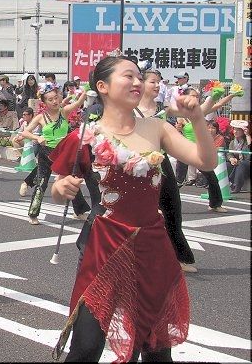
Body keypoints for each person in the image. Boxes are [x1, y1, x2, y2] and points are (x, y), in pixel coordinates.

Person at [50, 55, 216, 363]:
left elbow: (206, 161)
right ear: (103, 86)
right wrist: (61, 190)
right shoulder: (85, 135)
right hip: (103, 244)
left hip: (152, 245)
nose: (137, 82)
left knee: (156, 348)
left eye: (140, 76)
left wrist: (196, 119)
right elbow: (58, 189)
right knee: (87, 345)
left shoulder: (157, 128)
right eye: (128, 76)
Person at [133, 67, 197, 273]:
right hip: (137, 165)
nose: (157, 85)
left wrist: (210, 100)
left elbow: (196, 112)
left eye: (159, 81)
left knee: (172, 209)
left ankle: (181, 257)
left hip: (161, 162)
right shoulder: (129, 108)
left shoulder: (164, 108)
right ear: (141, 83)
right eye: (152, 81)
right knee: (135, 213)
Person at [16, 83, 87, 224]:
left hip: (63, 152)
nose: (54, 101)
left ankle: (79, 211)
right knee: (41, 183)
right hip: (46, 153)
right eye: (50, 99)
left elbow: (79, 102)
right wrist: (37, 138)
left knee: (70, 181)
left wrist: (87, 89)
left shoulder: (64, 112)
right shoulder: (40, 117)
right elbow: (25, 132)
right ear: (44, 102)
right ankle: (33, 214)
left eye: (56, 98)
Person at [227, 120, 250, 193]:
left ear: (243, 131)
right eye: (234, 129)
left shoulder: (247, 141)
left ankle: (236, 186)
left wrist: (247, 135)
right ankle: (221, 184)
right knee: (227, 165)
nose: (235, 132)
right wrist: (231, 159)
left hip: (246, 164)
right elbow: (229, 153)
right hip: (237, 163)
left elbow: (248, 156)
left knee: (241, 164)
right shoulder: (232, 142)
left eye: (238, 130)